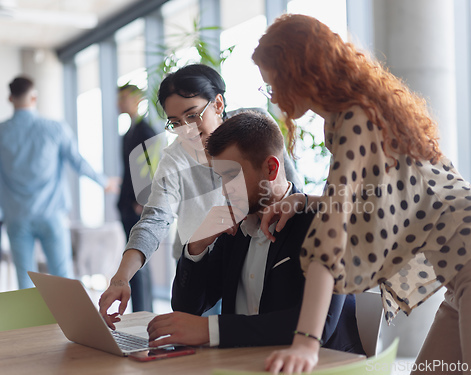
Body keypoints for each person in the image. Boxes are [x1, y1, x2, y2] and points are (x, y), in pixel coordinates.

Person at [252, 14, 471, 375]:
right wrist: (305, 201)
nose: (273, 97)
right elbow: (380, 202)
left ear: (297, 71)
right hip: (466, 267)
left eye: (272, 85)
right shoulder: (357, 114)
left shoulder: (356, 118)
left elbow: (332, 233)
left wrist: (306, 341)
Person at [99, 64, 302, 323]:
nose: (187, 131)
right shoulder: (175, 158)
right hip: (199, 257)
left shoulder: (254, 127)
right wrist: (120, 278)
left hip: (254, 244)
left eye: (193, 115)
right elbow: (154, 220)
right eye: (175, 122)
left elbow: (287, 184)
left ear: (218, 104)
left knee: (246, 326)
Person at [145, 111, 363, 351]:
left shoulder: (321, 221)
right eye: (220, 179)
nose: (225, 191)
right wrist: (197, 246)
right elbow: (187, 310)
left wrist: (211, 330)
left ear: (270, 168)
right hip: (242, 365)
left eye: (231, 176)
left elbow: (320, 324)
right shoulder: (235, 228)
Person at [0, 76, 117, 289]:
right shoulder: (54, 128)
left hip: (16, 217)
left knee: (24, 280)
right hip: (51, 215)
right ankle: (72, 322)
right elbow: (78, 162)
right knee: (63, 279)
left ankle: (32, 323)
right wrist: (104, 182)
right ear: (34, 97)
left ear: (10, 98)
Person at [116, 84, 159, 312]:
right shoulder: (127, 134)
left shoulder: (146, 131)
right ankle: (139, 310)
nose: (119, 103)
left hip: (138, 206)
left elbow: (153, 168)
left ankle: (143, 312)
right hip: (125, 205)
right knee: (131, 260)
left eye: (123, 98)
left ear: (137, 99)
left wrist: (144, 199)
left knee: (139, 260)